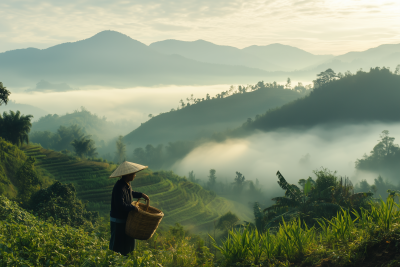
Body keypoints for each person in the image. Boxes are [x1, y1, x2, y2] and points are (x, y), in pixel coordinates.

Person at [108, 161, 150, 256]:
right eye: (133, 173)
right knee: (117, 245)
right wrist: (133, 207)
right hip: (118, 220)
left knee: (127, 244)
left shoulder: (126, 184)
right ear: (128, 175)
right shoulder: (119, 187)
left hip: (125, 219)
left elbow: (130, 193)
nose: (135, 175)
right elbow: (120, 205)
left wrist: (141, 195)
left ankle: (126, 260)